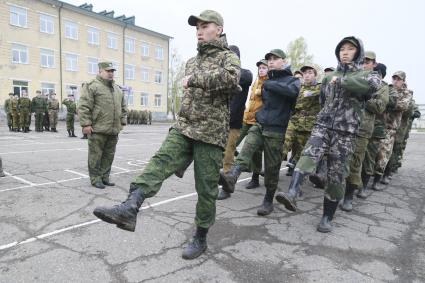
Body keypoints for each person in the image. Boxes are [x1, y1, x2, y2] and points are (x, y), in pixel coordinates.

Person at [92, 10, 240, 260]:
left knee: (205, 189)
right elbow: (191, 97)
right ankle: (130, 207)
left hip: (211, 135)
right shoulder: (192, 61)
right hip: (184, 128)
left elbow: (231, 80)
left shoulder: (229, 58)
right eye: (197, 27)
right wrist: (180, 118)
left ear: (220, 29)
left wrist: (194, 80)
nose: (200, 31)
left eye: (205, 26)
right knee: (159, 162)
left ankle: (200, 237)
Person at [274, 36, 381, 233]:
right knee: (308, 154)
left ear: (358, 53)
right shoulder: (327, 79)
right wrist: (326, 113)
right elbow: (323, 99)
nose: (345, 52)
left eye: (350, 48)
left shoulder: (369, 76)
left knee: (336, 176)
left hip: (346, 133)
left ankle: (326, 217)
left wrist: (341, 80)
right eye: (342, 49)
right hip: (323, 125)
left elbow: (368, 88)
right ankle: (292, 192)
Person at [220, 48, 300, 216]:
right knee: (246, 150)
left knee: (271, 168)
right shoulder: (266, 81)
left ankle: (268, 201)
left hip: (276, 130)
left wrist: (270, 84)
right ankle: (232, 177)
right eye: (269, 59)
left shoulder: (292, 80)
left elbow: (292, 92)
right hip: (260, 124)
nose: (270, 61)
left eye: (275, 59)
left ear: (283, 62)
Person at [340, 53, 388, 210]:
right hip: (345, 125)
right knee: (338, 159)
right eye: (362, 61)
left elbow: (380, 106)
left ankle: (348, 197)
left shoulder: (381, 86)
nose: (363, 64)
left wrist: (364, 96)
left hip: (362, 129)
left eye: (367, 62)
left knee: (355, 163)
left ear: (374, 64)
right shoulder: (352, 78)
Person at [78, 62, 128, 189]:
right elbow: (84, 106)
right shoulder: (92, 86)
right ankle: (95, 179)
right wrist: (86, 124)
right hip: (97, 129)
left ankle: (105, 177)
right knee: (95, 155)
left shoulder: (117, 89)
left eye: (112, 71)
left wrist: (122, 122)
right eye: (108, 71)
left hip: (113, 130)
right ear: (100, 71)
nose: (111, 73)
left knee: (108, 155)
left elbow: (123, 107)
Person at [217, 45, 253, 199]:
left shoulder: (245, 74)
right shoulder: (222, 74)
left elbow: (242, 78)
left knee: (228, 155)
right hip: (219, 121)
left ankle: (226, 187)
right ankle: (215, 182)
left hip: (233, 122)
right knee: (217, 153)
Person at [366, 71, 412, 190]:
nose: (395, 81)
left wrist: (387, 101)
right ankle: (365, 178)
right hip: (378, 124)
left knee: (383, 155)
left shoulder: (406, 93)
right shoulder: (387, 88)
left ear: (403, 81)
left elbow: (403, 106)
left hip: (390, 128)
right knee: (371, 153)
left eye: (398, 79)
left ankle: (377, 180)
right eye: (394, 78)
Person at [282, 65, 321, 177]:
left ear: (315, 75)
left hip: (309, 124)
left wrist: (311, 93)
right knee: (285, 142)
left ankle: (296, 170)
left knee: (302, 150)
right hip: (295, 120)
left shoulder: (320, 87)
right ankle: (273, 167)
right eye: (305, 73)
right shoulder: (299, 87)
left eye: (310, 73)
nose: (307, 75)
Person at [235, 59, 268, 190]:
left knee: (257, 151)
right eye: (260, 68)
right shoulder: (256, 82)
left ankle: (255, 178)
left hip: (258, 121)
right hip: (246, 118)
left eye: (264, 68)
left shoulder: (269, 83)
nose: (261, 70)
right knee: (233, 141)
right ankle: (237, 165)